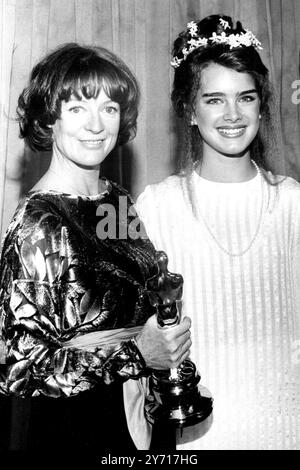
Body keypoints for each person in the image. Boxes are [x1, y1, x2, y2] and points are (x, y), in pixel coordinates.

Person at [0, 43, 192, 453]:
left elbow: (140, 295)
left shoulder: (116, 200)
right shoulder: (39, 221)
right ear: (48, 120)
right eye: (77, 108)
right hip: (75, 427)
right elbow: (20, 369)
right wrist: (137, 355)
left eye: (109, 108)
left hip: (138, 414)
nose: (96, 125)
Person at [136, 15, 300, 450]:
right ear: (189, 111)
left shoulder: (292, 204)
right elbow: (136, 340)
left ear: (261, 106)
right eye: (214, 99)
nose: (232, 114)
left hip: (287, 430)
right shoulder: (156, 206)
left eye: (245, 97)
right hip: (197, 439)